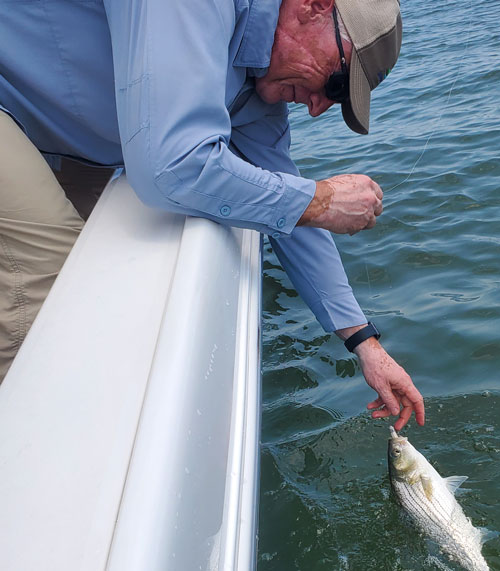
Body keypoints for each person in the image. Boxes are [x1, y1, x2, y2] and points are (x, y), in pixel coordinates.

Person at [0, 0, 425, 430]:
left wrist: (365, 344)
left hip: (51, 127)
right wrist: (318, 200)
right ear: (312, 6)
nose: (317, 108)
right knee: (50, 294)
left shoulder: (256, 87)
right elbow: (170, 167)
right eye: (335, 84)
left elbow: (294, 218)